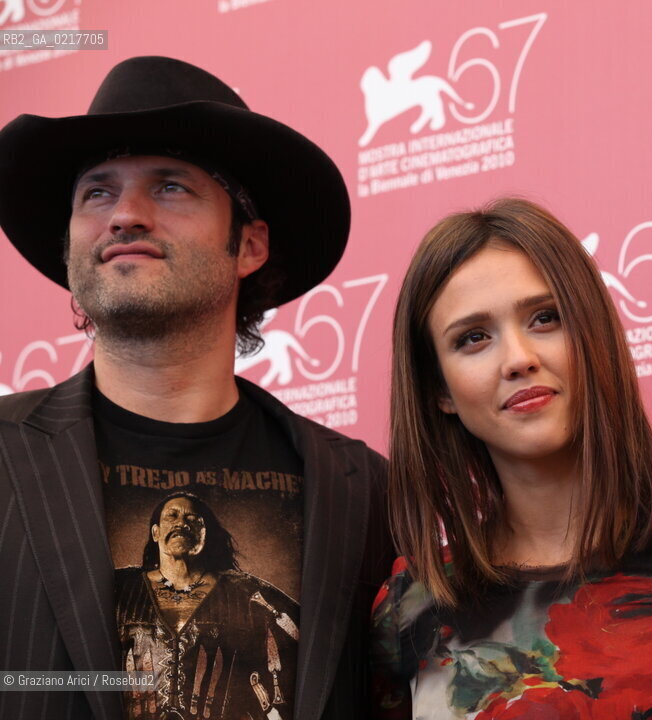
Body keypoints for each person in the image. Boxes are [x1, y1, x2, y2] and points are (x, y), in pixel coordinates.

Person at [0, 56, 393, 720]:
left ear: (249, 245)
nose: (124, 214)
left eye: (170, 187)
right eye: (96, 192)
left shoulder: (367, 494)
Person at [371, 198, 652, 719]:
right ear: (440, 390)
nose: (519, 358)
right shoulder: (408, 608)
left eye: (546, 318)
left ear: (594, 337)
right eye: (473, 338)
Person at [115, 491, 300, 719]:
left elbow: (310, 637)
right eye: (172, 516)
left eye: (193, 519)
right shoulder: (121, 587)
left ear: (205, 534)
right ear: (155, 532)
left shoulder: (244, 590)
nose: (181, 523)